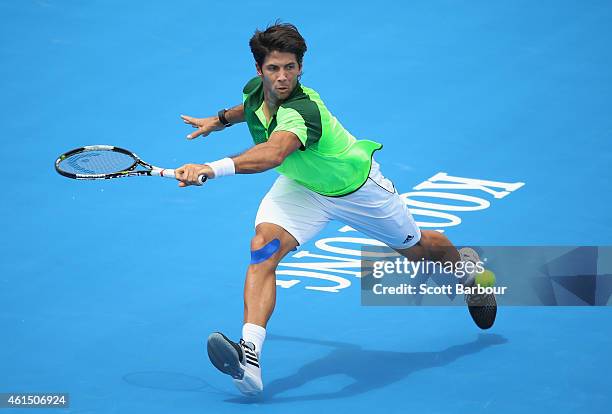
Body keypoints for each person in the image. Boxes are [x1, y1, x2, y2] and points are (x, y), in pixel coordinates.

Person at [175, 22, 496, 396]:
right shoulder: (256, 92)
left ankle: (469, 276)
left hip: (356, 191)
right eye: (274, 69)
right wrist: (220, 120)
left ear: (301, 67)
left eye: (290, 68)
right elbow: (251, 106)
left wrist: (211, 168)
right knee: (263, 246)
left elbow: (274, 152)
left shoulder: (302, 109)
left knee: (420, 250)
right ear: (259, 70)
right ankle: (250, 357)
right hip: (303, 187)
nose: (282, 78)